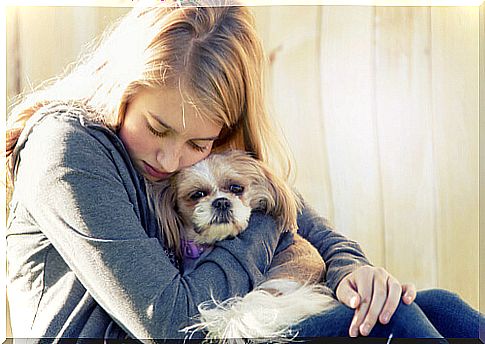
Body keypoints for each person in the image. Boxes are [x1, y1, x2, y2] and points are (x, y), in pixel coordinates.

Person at [5, 1, 482, 341]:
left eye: (198, 143)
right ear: (121, 88)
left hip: (223, 326)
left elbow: (293, 214)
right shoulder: (67, 149)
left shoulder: (199, 156)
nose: (171, 160)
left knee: (439, 307)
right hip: (174, 332)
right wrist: (263, 210)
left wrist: (351, 271)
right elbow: (171, 324)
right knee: (391, 325)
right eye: (157, 127)